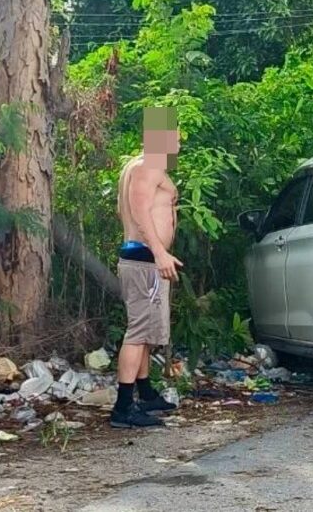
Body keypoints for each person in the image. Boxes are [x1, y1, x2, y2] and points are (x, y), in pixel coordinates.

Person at [110, 107, 185, 428]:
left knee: (145, 331)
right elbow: (139, 212)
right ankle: (123, 407)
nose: (180, 139)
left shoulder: (140, 166)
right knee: (139, 332)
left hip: (142, 259)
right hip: (144, 259)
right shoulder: (149, 166)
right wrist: (158, 251)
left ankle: (145, 392)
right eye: (175, 133)